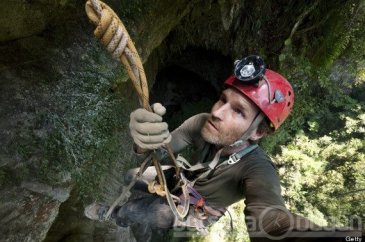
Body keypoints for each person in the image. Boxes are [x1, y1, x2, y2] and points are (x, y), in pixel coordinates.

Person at [85, 56, 361, 241]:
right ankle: (139, 217)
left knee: (139, 212)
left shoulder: (258, 170)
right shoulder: (202, 123)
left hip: (197, 210)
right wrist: (143, 140)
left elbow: (269, 219)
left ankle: (115, 216)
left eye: (239, 112)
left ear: (259, 132)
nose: (218, 112)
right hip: (182, 180)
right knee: (131, 176)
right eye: (222, 99)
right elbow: (158, 153)